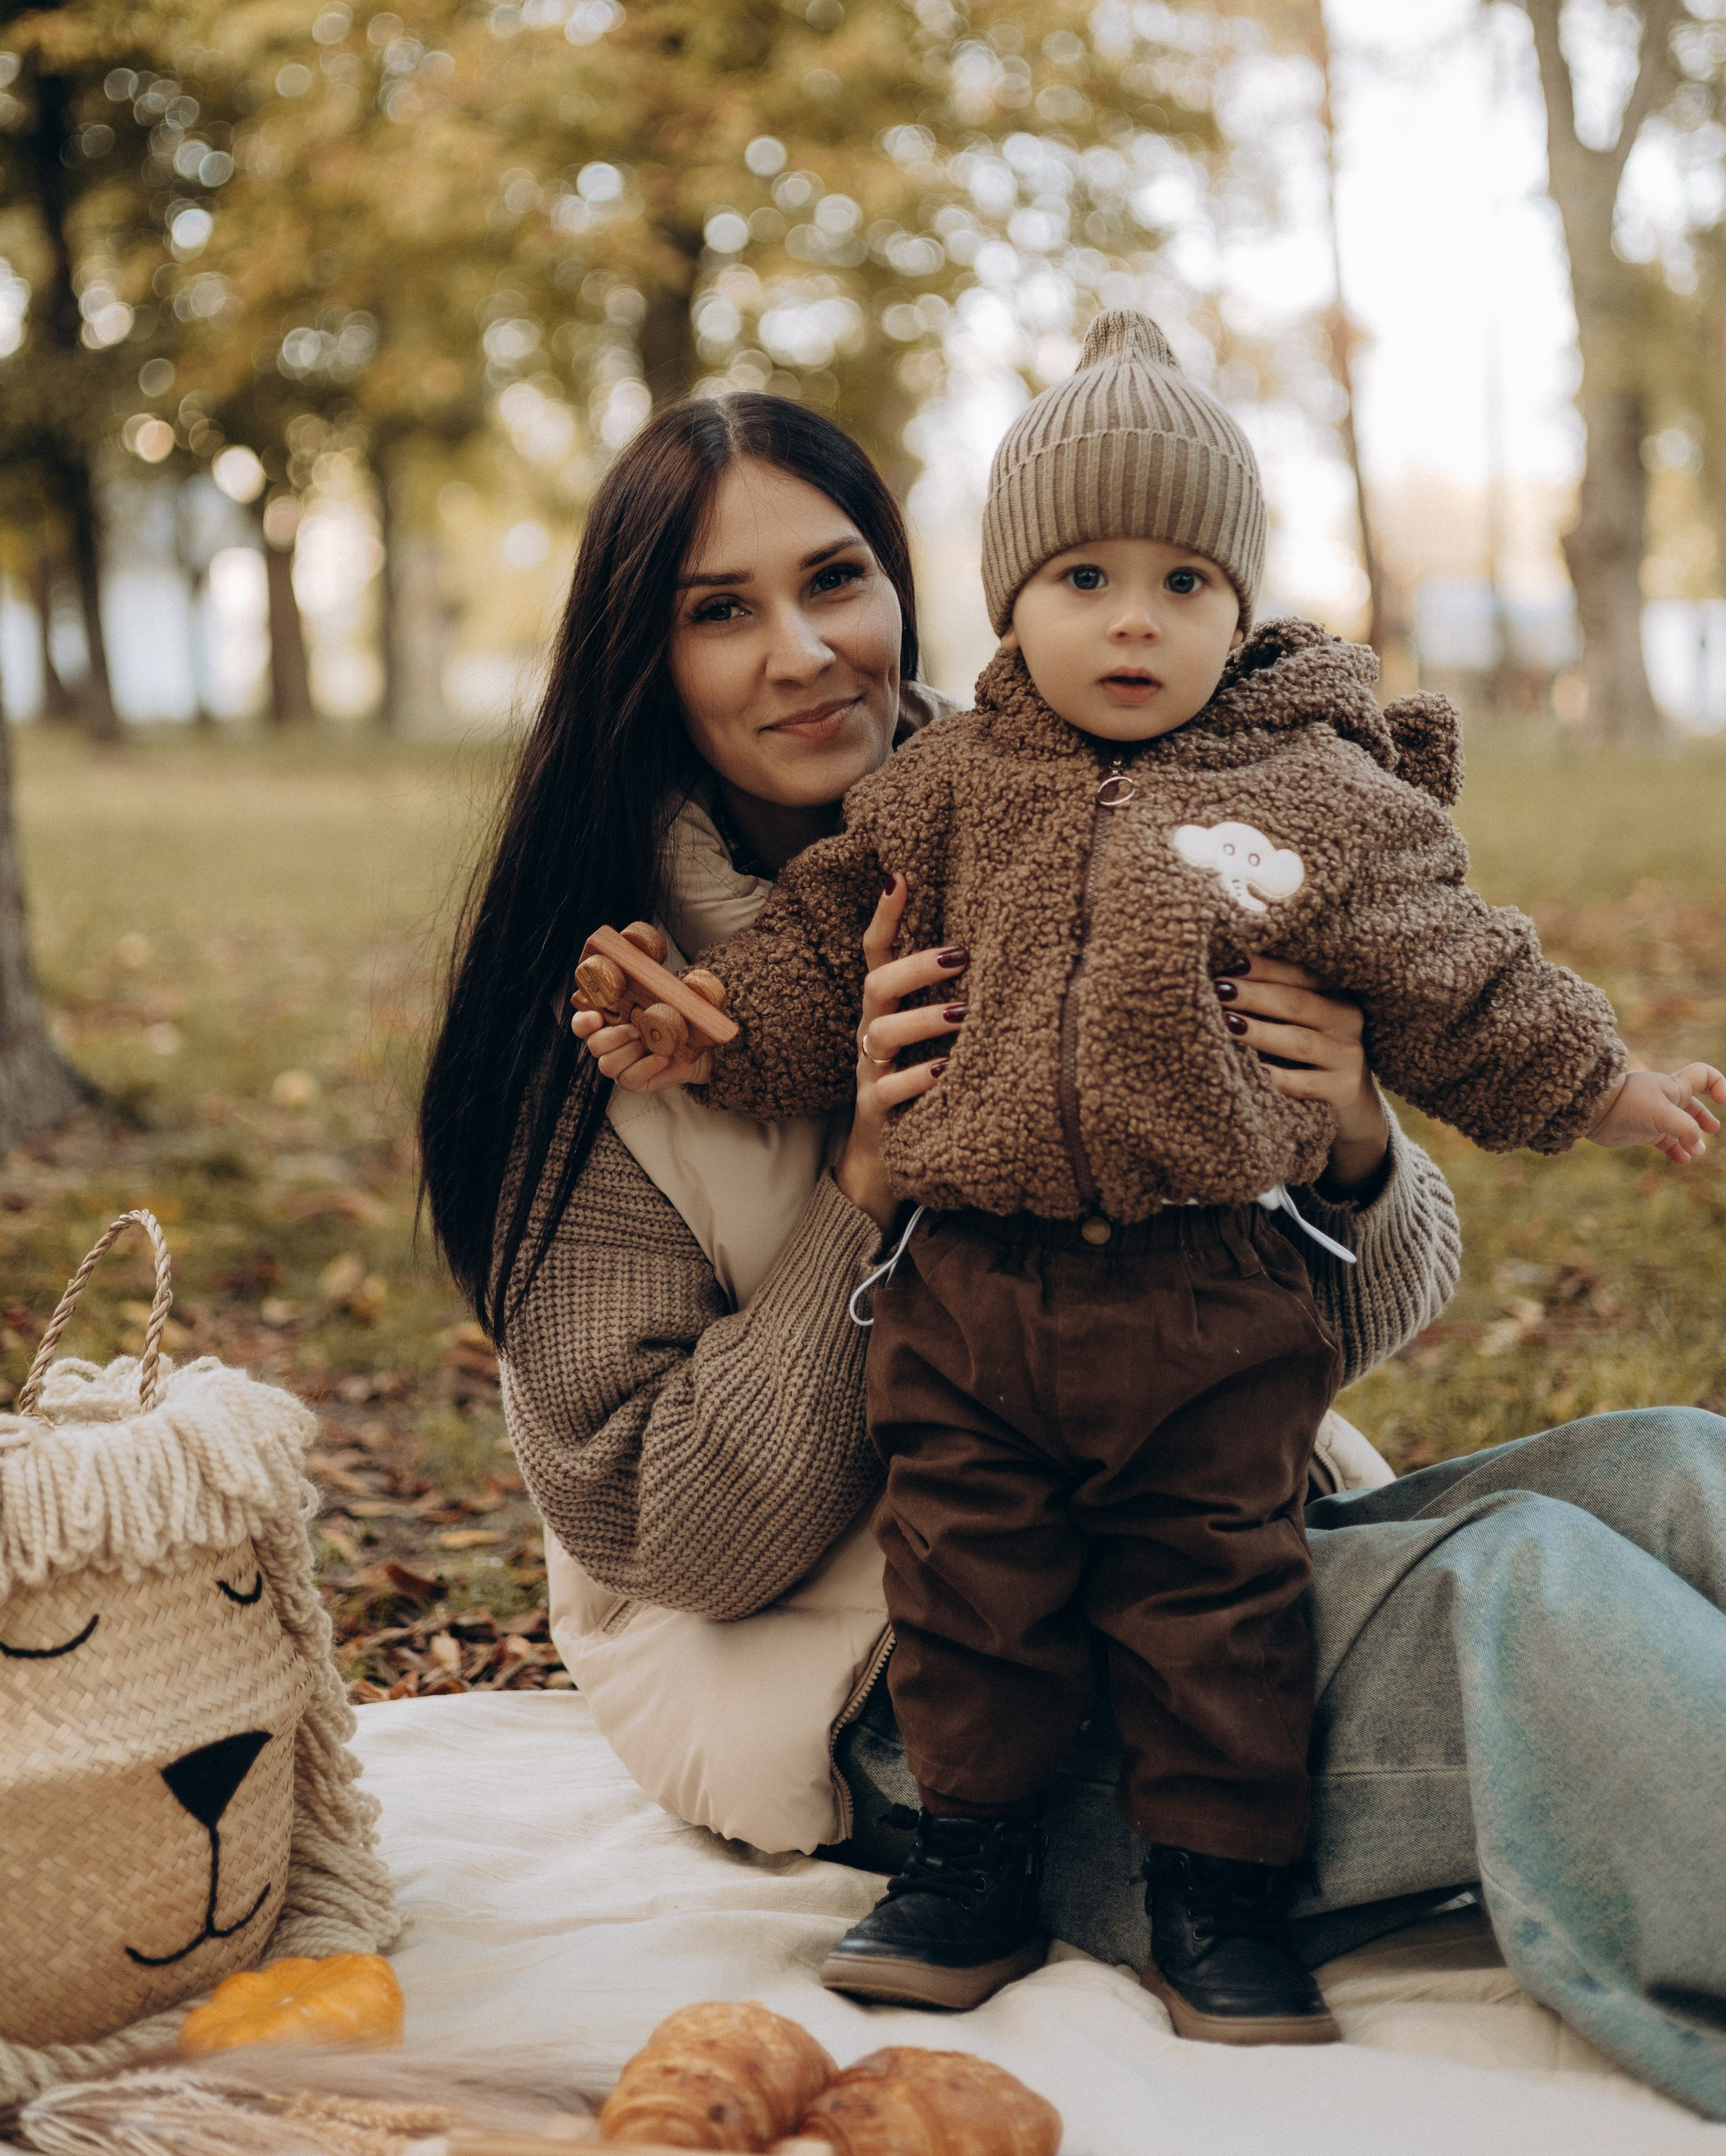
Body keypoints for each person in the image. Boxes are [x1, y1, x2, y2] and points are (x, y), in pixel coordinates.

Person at [420, 384, 1726, 2120]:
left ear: (915, 583)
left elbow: (1361, 1318)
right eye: (718, 611)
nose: (805, 652)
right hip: (913, 1692)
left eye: (836, 580)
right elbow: (674, 1534)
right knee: (1528, 1602)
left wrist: (1337, 1139)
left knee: (1674, 1476)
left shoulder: (1097, 809)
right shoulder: (611, 1030)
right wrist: (866, 1187)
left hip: (1199, 1505)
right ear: (635, 661)